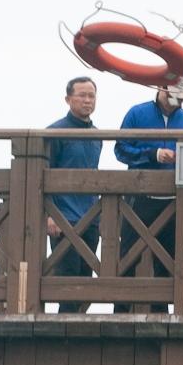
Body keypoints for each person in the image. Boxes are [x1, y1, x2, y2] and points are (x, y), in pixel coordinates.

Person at [113, 85, 183, 313]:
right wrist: (153, 154)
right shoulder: (136, 113)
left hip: (173, 200)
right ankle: (120, 313)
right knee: (128, 256)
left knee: (169, 261)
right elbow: (120, 149)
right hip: (140, 198)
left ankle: (163, 315)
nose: (181, 101)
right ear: (162, 89)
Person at [46, 77, 102, 314]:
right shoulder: (54, 132)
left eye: (91, 95)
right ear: (68, 99)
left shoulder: (98, 135)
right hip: (64, 217)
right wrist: (49, 215)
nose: (87, 100)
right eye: (82, 95)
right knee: (67, 282)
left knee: (85, 279)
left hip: (90, 218)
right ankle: (61, 337)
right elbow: (42, 177)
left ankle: (79, 334)